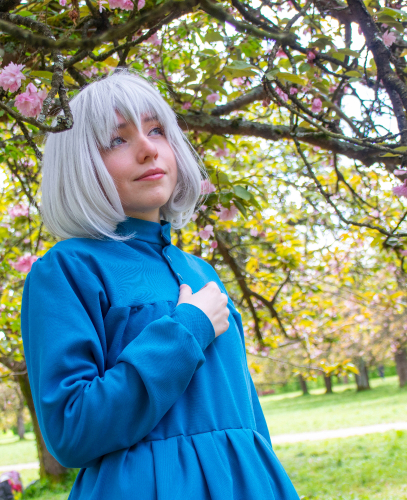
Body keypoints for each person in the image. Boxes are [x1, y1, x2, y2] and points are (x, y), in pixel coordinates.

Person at [20, 69, 300, 499]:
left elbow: (246, 416)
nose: (148, 149)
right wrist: (186, 330)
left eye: (156, 131)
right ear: (80, 164)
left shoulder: (201, 272)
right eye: (118, 139)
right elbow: (70, 430)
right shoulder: (67, 269)